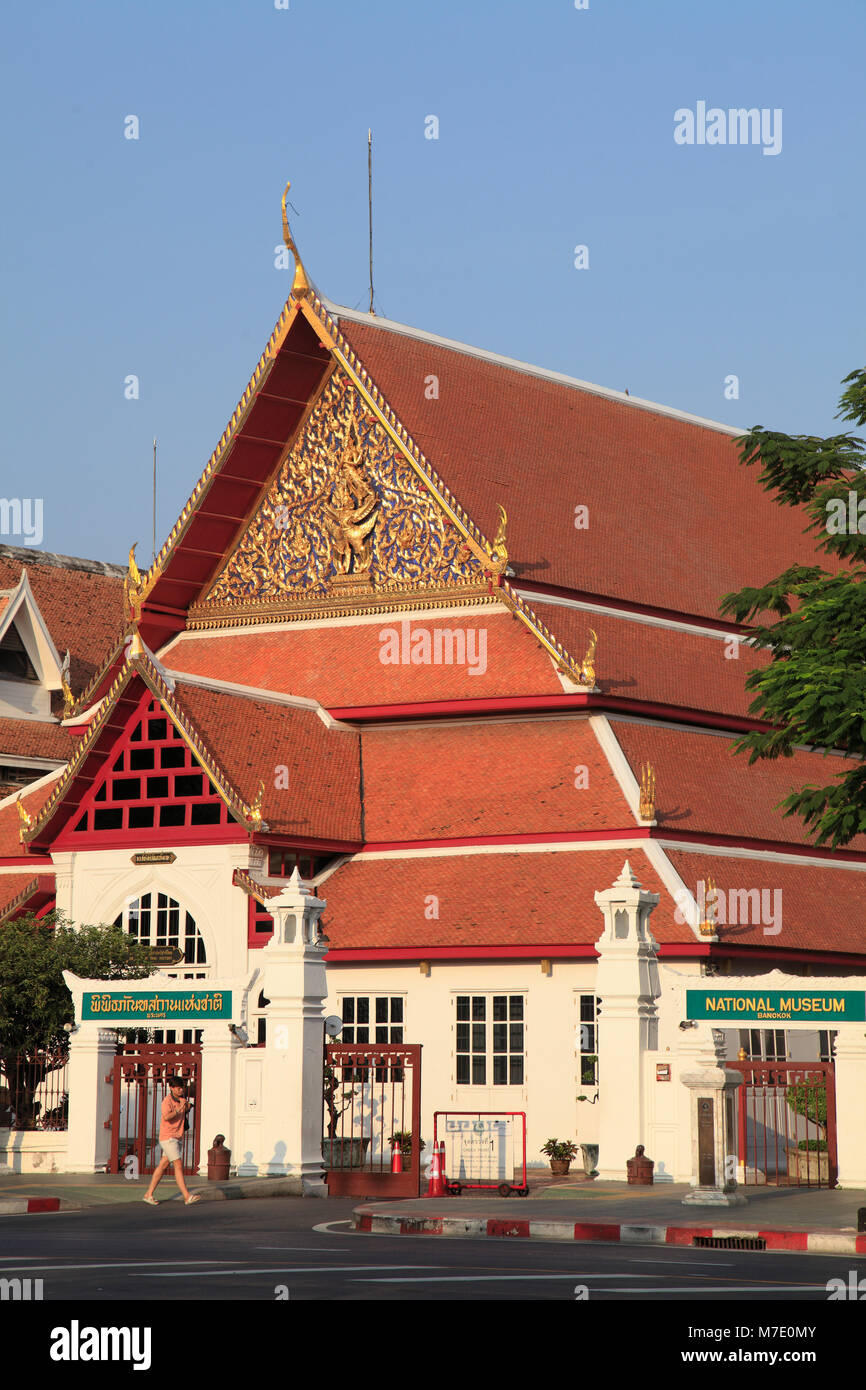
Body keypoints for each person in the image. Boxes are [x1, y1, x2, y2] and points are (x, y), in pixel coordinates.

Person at [142, 1077, 200, 1205]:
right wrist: (179, 1109)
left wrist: (187, 1106)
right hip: (168, 1138)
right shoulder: (166, 1101)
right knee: (178, 1165)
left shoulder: (181, 1099)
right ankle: (187, 1196)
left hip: (176, 1137)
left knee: (162, 1166)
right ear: (172, 1088)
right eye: (178, 1088)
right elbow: (166, 1116)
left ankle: (148, 1194)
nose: (181, 1090)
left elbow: (187, 1108)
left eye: (182, 1088)